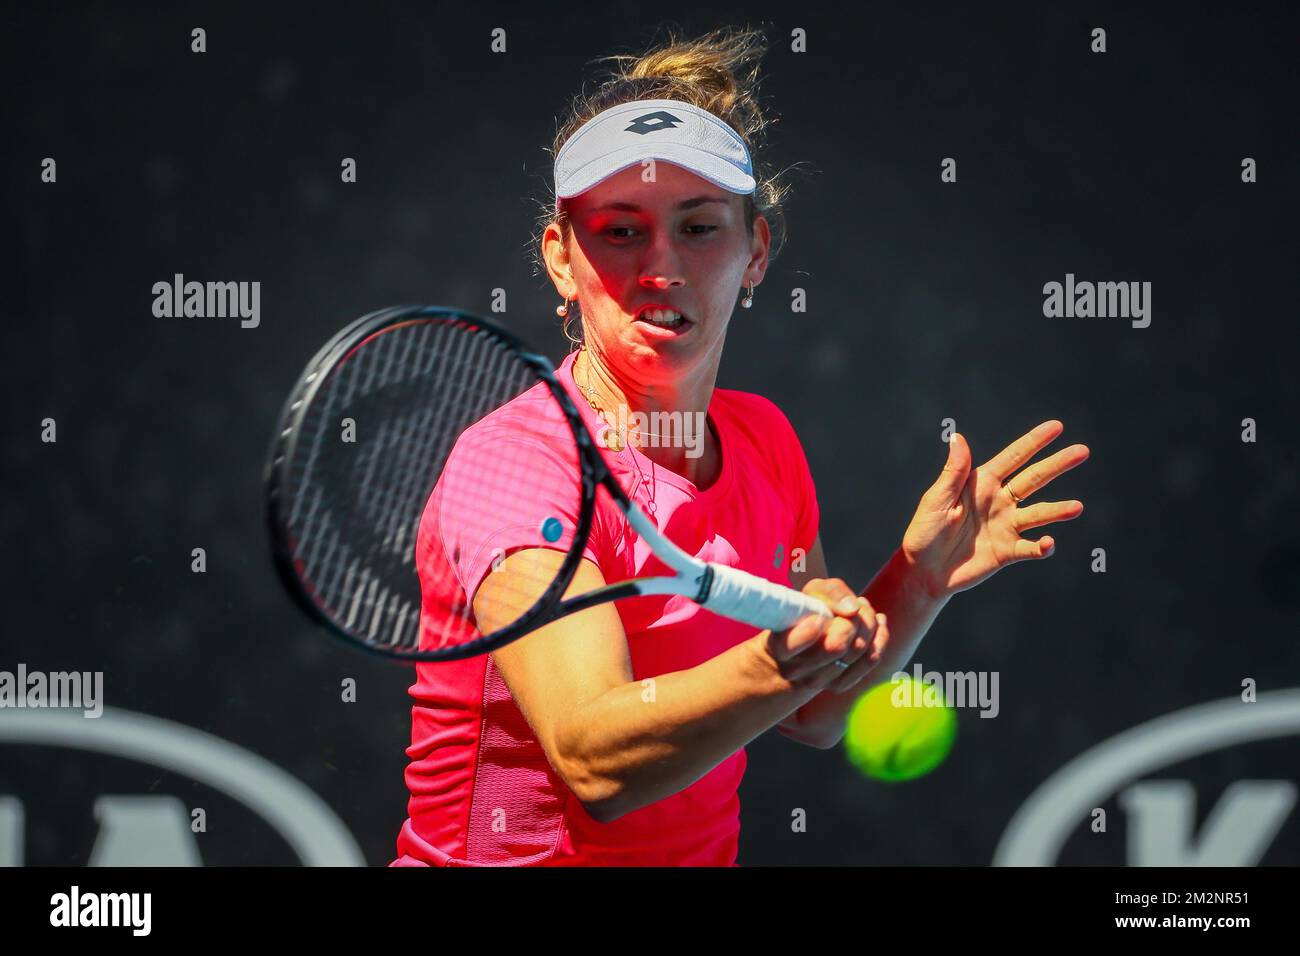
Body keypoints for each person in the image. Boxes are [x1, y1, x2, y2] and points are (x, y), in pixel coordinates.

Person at [392, 26, 1088, 867]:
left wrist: (916, 582)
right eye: (619, 231)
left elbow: (812, 713)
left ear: (755, 254)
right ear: (560, 261)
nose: (661, 266)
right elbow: (594, 758)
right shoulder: (521, 465)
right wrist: (775, 659)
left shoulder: (762, 439)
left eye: (699, 228)